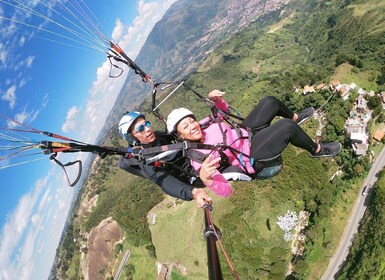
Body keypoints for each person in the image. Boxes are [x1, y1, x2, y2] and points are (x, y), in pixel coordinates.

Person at [166, 90, 342, 197]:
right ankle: (317, 149)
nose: (192, 126)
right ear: (180, 135)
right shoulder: (199, 160)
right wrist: (207, 179)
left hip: (245, 134)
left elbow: (222, 114)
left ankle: (296, 117)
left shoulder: (203, 124)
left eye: (191, 121)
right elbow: (226, 191)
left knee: (269, 102)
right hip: (249, 156)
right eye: (185, 127)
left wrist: (217, 101)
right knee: (286, 127)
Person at [117, 111, 212, 207]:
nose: (148, 129)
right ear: (132, 138)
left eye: (147, 124)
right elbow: (166, 182)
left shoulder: (159, 136)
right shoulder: (145, 159)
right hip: (195, 175)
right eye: (141, 129)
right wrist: (193, 192)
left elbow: (179, 134)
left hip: (196, 157)